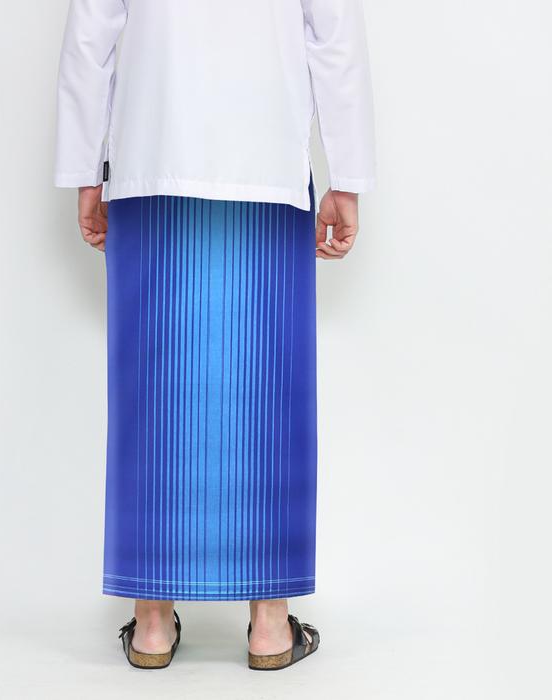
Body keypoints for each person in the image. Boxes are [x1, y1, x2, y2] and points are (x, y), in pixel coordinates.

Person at [54, 0, 375, 671]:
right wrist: (347, 176)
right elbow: (333, 33)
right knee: (270, 388)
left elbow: (92, 31)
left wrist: (84, 166)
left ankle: (151, 625)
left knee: (151, 388)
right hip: (267, 159)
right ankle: (270, 627)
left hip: (151, 152)